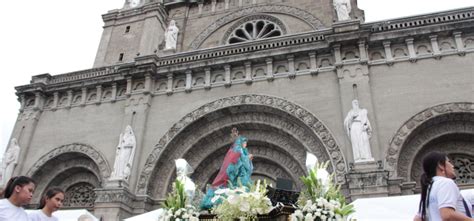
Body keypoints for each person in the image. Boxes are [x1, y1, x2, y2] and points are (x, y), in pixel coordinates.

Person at [200, 127, 253, 209]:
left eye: (245, 143)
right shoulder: (238, 150)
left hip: (241, 173)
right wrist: (247, 159)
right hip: (238, 173)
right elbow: (238, 160)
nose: (245, 145)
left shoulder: (242, 150)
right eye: (244, 143)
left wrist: (248, 159)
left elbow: (244, 162)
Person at [414, 151, 474, 221]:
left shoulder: (429, 188)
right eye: (449, 162)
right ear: (440, 165)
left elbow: (418, 218)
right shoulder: (445, 183)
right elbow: (447, 215)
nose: (452, 166)